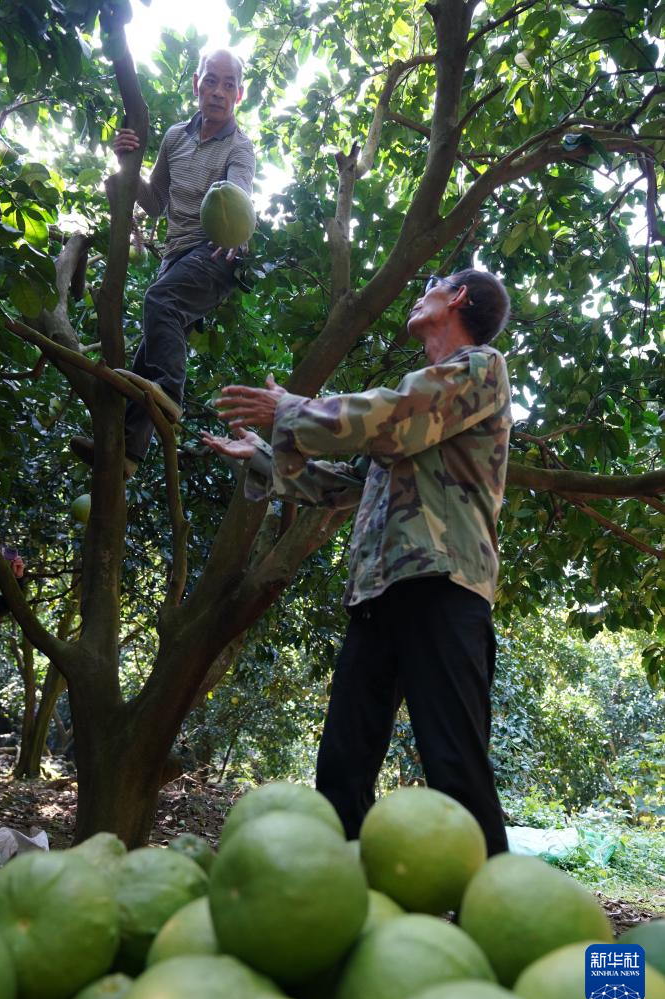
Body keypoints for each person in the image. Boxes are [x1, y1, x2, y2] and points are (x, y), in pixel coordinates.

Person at [201, 268, 513, 856]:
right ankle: (344, 905)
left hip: (442, 586)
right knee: (342, 766)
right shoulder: (417, 407)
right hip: (378, 594)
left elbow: (393, 419)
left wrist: (290, 410)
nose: (420, 292)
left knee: (454, 764)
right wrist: (265, 455)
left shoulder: (480, 369)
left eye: (434, 284)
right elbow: (347, 489)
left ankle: (498, 916)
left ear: (459, 298)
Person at [72, 48, 255, 478]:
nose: (218, 92)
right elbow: (155, 203)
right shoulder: (175, 137)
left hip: (216, 255)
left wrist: (238, 232)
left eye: (229, 85)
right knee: (144, 358)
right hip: (176, 258)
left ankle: (170, 393)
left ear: (239, 95)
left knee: (160, 303)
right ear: (197, 85)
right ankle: (128, 455)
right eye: (211, 80)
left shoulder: (240, 149)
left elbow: (238, 195)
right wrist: (127, 164)